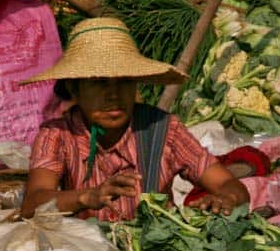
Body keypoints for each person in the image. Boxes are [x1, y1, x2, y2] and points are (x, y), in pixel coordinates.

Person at [20, 17, 251, 221]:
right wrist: (86, 197)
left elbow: (228, 184)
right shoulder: (58, 135)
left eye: (124, 82)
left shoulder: (163, 130)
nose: (113, 95)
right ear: (74, 89)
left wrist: (226, 198)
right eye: (99, 83)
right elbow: (33, 203)